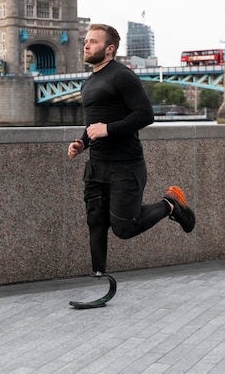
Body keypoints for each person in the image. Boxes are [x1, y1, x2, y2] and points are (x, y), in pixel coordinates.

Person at [68, 23, 196, 275]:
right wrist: (82, 142)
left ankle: (170, 204)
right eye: (86, 41)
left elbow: (145, 115)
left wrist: (108, 129)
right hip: (96, 166)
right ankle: (99, 279)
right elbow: (94, 124)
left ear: (109, 49)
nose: (86, 45)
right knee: (95, 222)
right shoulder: (89, 83)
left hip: (125, 166)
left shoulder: (122, 75)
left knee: (124, 228)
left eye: (93, 41)